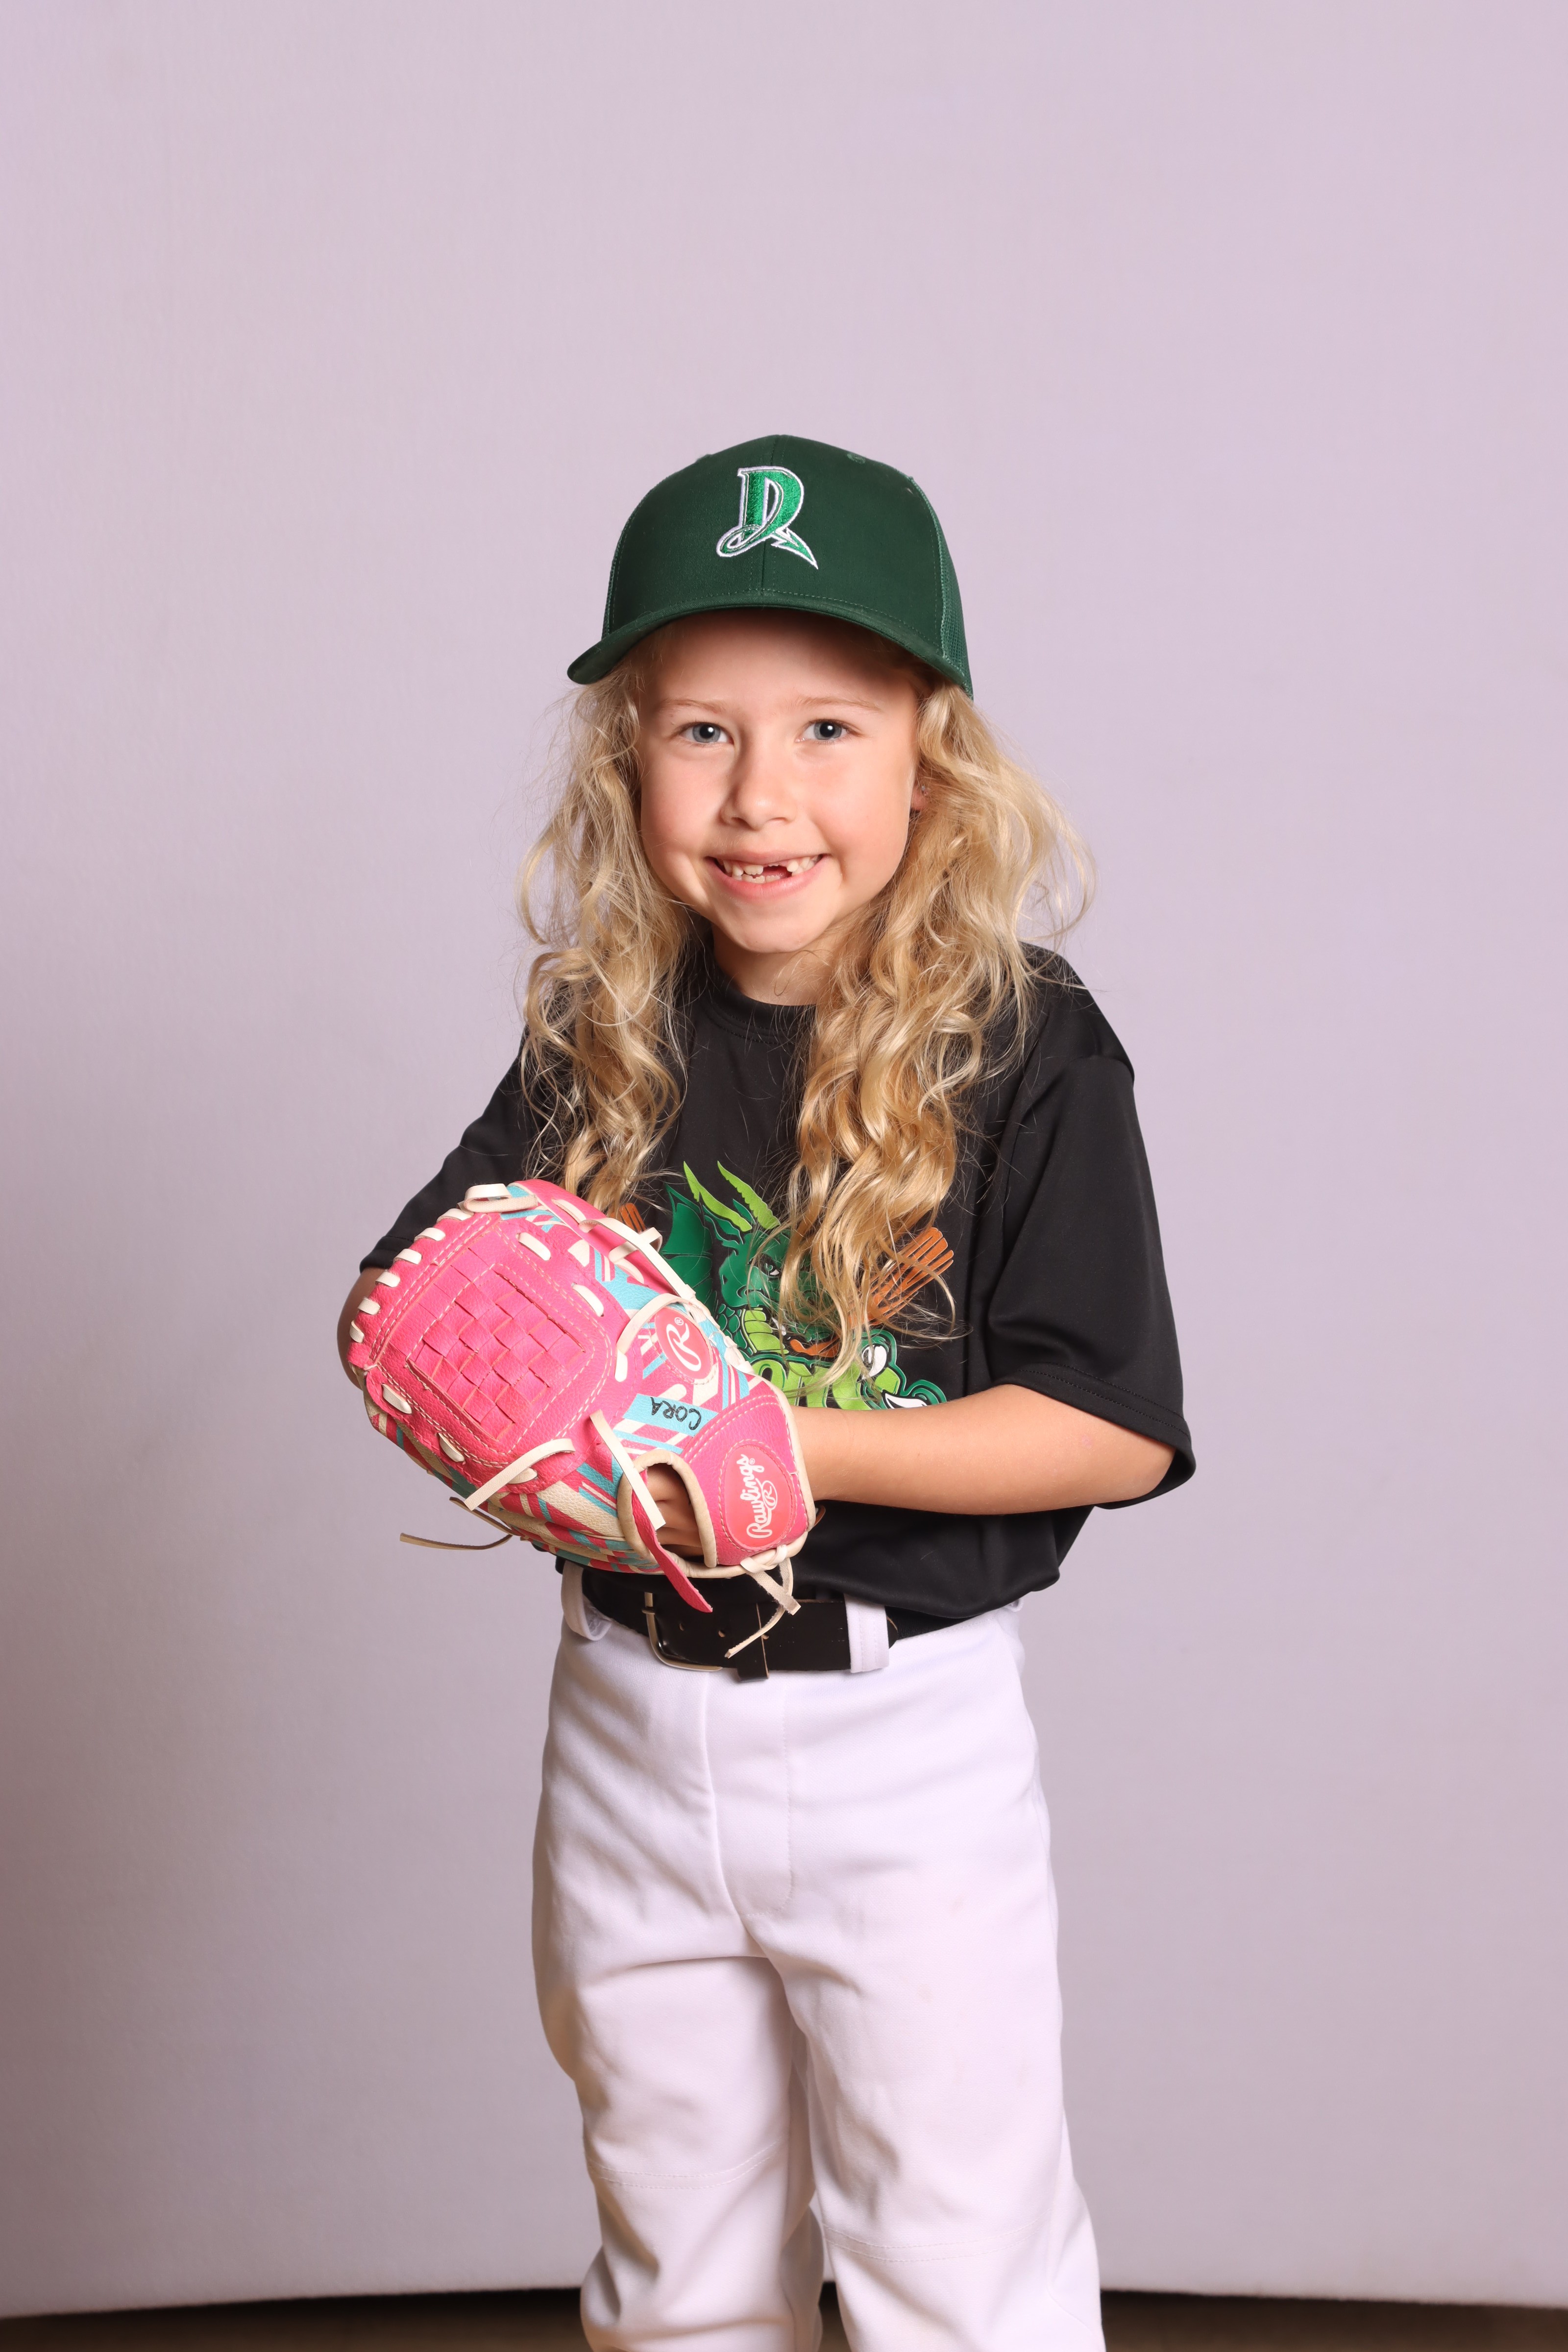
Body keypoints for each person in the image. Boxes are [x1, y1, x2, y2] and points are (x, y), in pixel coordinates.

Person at [338, 434, 1194, 2352]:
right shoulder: (603, 1033)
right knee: (677, 2275)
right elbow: (418, 1308)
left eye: (826, 730)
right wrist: (500, 1410)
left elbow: (1110, 1427)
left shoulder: (1026, 1044)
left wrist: (766, 1439)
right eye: (701, 732)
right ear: (626, 755)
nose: (759, 795)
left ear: (930, 761)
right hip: (628, 1717)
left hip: (902, 1742)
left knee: (958, 2275)